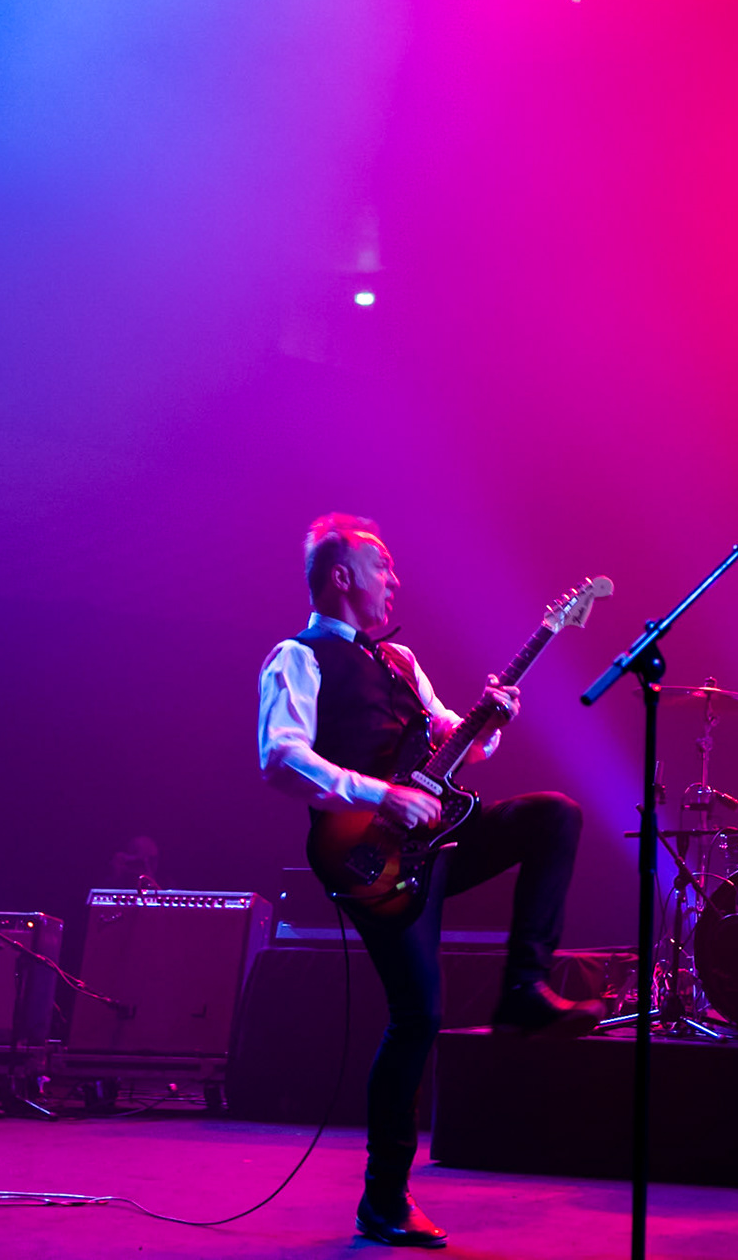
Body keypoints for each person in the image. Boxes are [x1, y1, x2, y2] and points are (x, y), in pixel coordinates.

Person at [257, 513, 596, 1248]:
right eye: (382, 566)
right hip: (370, 855)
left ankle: (522, 989)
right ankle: (384, 1201)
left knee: (553, 816)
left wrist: (490, 722)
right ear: (341, 576)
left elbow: (454, 742)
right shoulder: (298, 656)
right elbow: (280, 759)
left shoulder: (402, 661)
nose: (394, 580)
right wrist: (382, 795)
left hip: (435, 839)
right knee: (418, 1018)